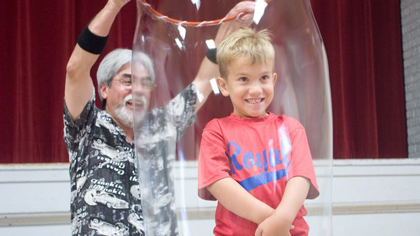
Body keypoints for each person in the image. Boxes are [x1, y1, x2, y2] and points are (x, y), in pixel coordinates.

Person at [63, 0, 255, 235]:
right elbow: (75, 69)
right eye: (127, 80)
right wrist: (113, 5)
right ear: (103, 89)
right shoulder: (87, 126)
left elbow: (204, 81)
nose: (138, 90)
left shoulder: (161, 125)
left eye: (146, 83)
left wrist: (229, 26)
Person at [197, 27, 320, 236]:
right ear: (224, 86)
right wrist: (272, 221)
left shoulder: (291, 128)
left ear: (273, 80)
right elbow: (218, 183)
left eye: (263, 78)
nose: (256, 89)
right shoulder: (216, 130)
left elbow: (301, 177)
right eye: (243, 79)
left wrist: (282, 220)